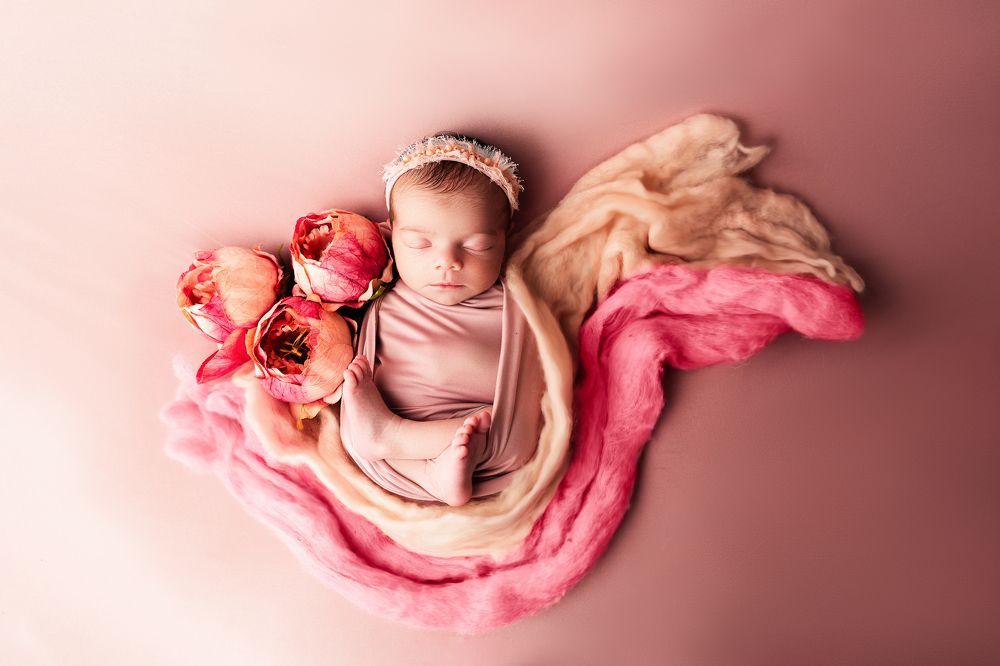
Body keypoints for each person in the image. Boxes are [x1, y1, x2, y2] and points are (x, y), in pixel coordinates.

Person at [338, 132, 543, 507]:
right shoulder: (382, 286)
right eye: (419, 243)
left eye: (477, 245)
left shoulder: (518, 298)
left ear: (505, 237)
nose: (448, 262)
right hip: (396, 438)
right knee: (354, 427)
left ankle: (400, 442)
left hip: (490, 439)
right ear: (391, 232)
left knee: (500, 431)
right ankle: (420, 463)